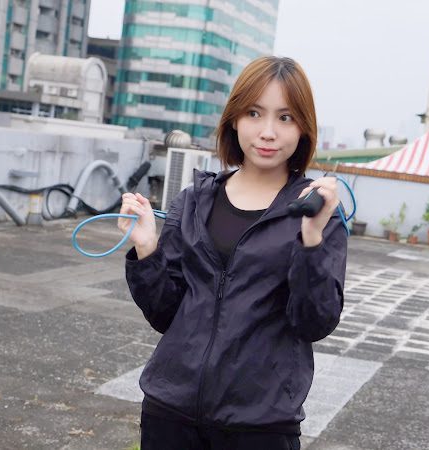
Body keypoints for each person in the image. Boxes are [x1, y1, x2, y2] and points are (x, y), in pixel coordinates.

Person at [118, 56, 347, 450]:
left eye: (285, 117)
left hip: (259, 424)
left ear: (303, 128)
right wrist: (146, 248)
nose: (268, 132)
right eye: (254, 113)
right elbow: (164, 314)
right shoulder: (194, 201)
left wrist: (311, 240)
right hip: (169, 411)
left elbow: (314, 322)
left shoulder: (316, 211)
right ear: (235, 119)